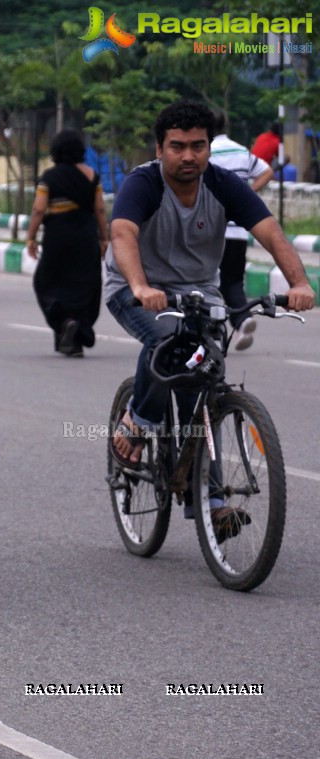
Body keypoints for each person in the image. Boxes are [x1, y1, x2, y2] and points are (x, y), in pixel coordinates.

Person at [105, 100, 313, 526]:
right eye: (177, 146)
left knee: (201, 385)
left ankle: (212, 502)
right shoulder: (143, 183)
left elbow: (270, 233)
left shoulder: (221, 184)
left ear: (209, 148)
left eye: (198, 146)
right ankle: (138, 420)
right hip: (134, 289)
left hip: (200, 294)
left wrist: (300, 283)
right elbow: (123, 232)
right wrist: (142, 286)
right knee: (169, 341)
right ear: (159, 148)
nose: (188, 156)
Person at [25, 129, 108, 357]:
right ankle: (76, 334)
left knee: (46, 282)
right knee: (84, 284)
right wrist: (105, 238)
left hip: (57, 237)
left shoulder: (49, 177)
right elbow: (99, 209)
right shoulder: (92, 176)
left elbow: (39, 209)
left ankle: (64, 322)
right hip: (86, 236)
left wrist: (30, 237)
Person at [210, 112, 273, 351]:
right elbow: (267, 171)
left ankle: (214, 327)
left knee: (207, 282)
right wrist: (247, 194)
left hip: (210, 229)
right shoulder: (241, 151)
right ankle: (243, 319)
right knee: (233, 281)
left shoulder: (204, 152)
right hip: (237, 231)